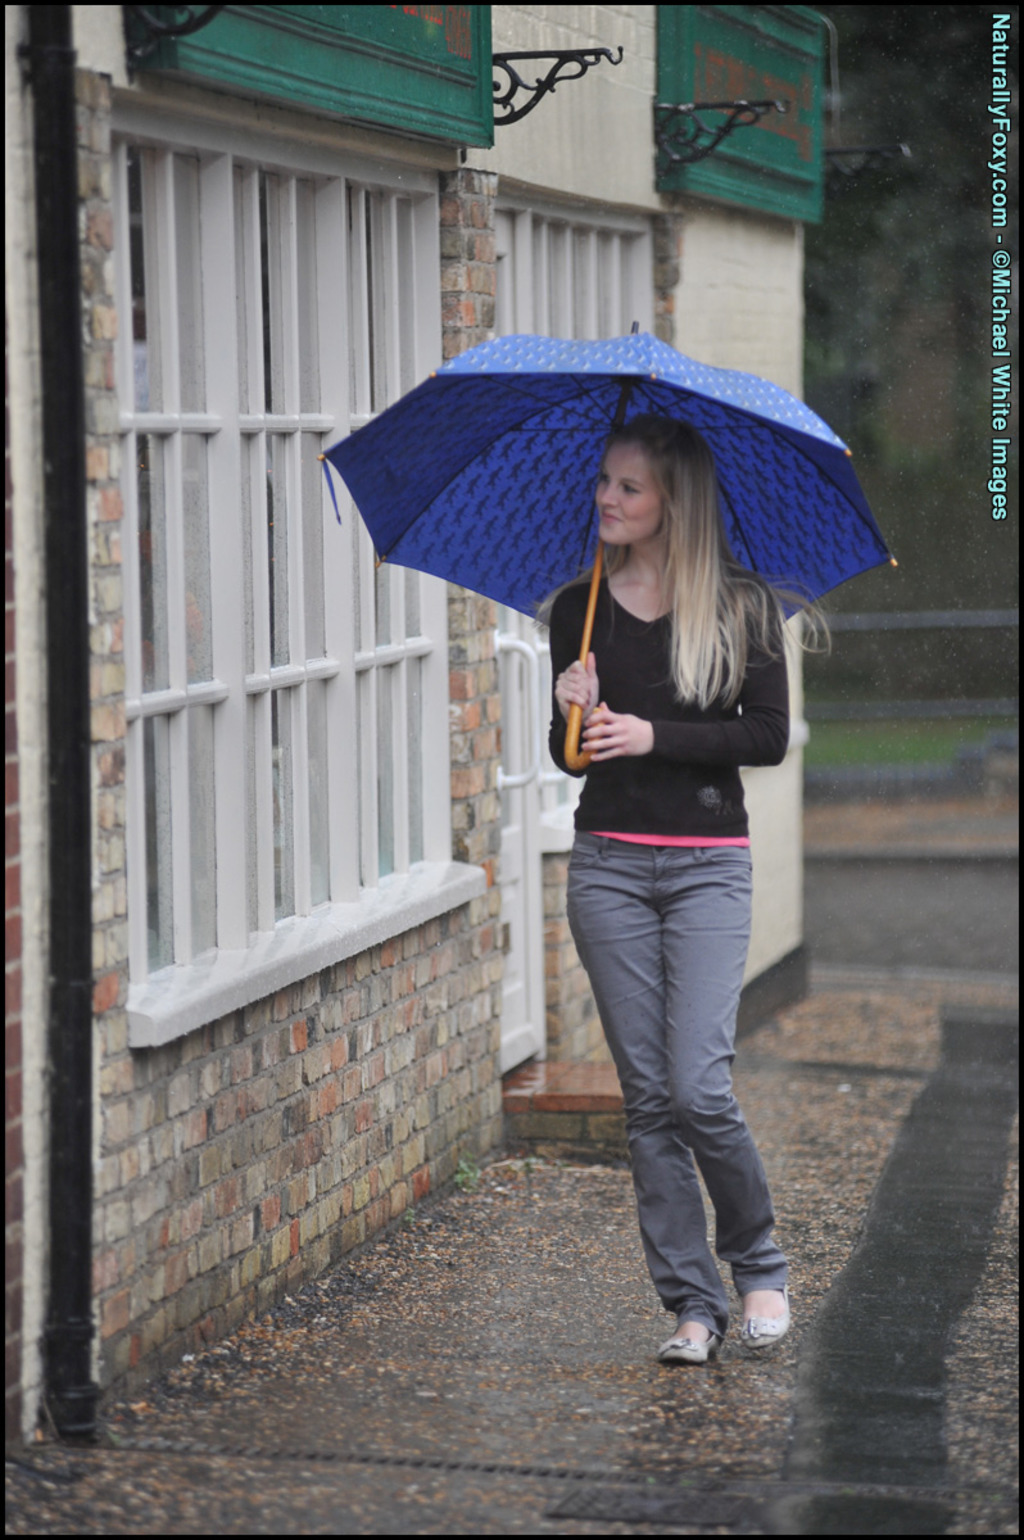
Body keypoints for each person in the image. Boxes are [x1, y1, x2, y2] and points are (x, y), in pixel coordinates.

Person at [547, 413, 800, 1365]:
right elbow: (573, 760)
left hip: (705, 867)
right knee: (649, 1098)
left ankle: (760, 1265)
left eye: (629, 487)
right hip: (607, 866)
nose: (606, 500)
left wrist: (655, 735)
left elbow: (765, 735)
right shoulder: (578, 607)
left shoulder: (741, 606)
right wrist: (571, 714)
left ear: (673, 502)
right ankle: (693, 1305)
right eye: (604, 483)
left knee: (699, 1087)